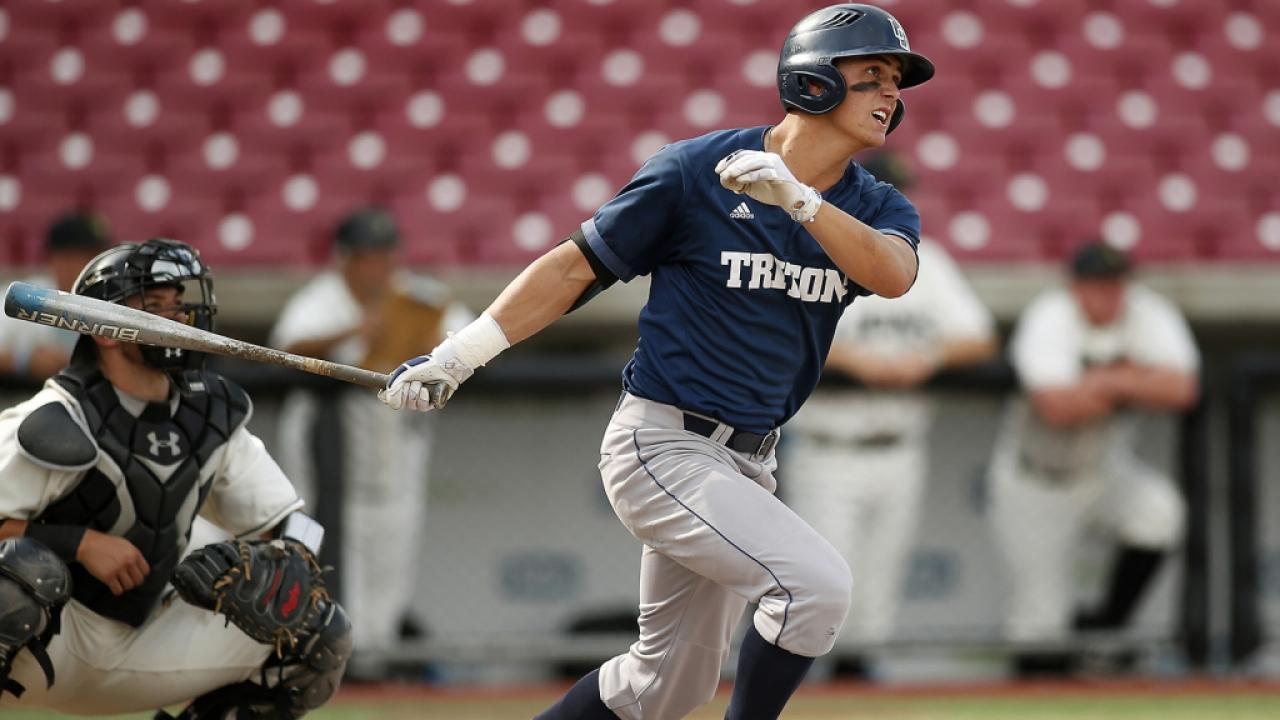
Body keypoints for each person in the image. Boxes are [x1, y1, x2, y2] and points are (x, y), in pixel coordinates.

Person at [379, 5, 933, 718]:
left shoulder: (875, 204)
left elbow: (893, 273)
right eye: (873, 74)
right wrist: (459, 355)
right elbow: (573, 268)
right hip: (662, 443)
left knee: (664, 687)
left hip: (748, 464)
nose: (891, 93)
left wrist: (801, 202)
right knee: (814, 588)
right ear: (813, 80)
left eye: (896, 82)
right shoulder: (695, 171)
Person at [0, 238, 352, 717]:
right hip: (47, 647)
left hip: (145, 646)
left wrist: (287, 560)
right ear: (105, 332)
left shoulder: (210, 415)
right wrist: (78, 543)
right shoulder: (54, 418)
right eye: (154, 306)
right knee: (20, 572)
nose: (178, 318)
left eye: (178, 304)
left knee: (318, 630)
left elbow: (298, 524)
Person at [782, 150, 997, 678]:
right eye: (882, 190)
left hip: (899, 446)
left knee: (877, 594)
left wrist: (927, 358)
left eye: (900, 191)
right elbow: (777, 336)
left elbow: (979, 338)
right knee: (822, 585)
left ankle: (858, 693)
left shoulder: (925, 261)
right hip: (829, 447)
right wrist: (856, 361)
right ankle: (796, 694)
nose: (894, 201)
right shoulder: (811, 246)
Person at [270, 207, 471, 670]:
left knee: (396, 544)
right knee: (331, 543)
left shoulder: (415, 295)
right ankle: (335, 655)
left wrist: (427, 338)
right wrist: (361, 330)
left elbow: (467, 330)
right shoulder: (323, 299)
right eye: (367, 257)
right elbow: (286, 345)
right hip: (334, 447)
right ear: (345, 259)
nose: (378, 267)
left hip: (397, 446)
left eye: (385, 256)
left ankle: (378, 656)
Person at [988, 241, 1199, 675]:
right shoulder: (1051, 315)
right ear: (1076, 286)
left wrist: (1103, 381)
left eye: (1115, 283)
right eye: (1096, 284)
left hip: (1102, 468)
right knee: (1040, 633)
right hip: (1037, 479)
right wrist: (1134, 379)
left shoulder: (1147, 312)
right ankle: (1046, 683)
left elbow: (1182, 390)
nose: (1107, 294)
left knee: (1159, 513)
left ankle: (1107, 629)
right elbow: (1057, 407)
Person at [0, 211, 112, 381]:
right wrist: (24, 361)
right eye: (77, 256)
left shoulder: (114, 299)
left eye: (95, 256)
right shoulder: (24, 296)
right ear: (53, 258)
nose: (90, 264)